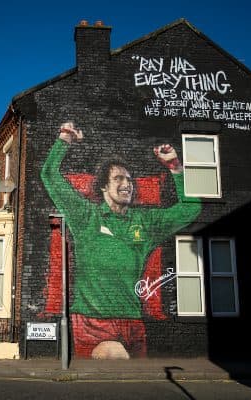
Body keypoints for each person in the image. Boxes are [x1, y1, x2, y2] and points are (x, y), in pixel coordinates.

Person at [41, 122, 201, 359]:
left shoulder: (146, 222)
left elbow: (191, 209)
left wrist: (175, 167)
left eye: (129, 179)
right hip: (93, 323)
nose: (126, 184)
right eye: (118, 179)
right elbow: (49, 175)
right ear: (104, 186)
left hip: (133, 322)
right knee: (116, 358)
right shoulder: (86, 216)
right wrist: (65, 138)